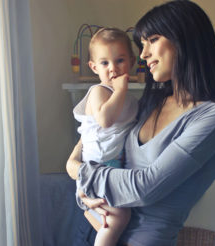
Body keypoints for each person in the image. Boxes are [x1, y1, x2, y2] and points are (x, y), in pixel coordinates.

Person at [66, 1, 215, 246]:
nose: (143, 54)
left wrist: (78, 171)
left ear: (185, 39)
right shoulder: (152, 102)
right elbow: (98, 133)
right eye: (142, 44)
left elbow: (145, 187)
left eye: (153, 40)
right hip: (95, 227)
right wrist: (79, 180)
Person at [69, 27, 138, 246]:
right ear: (94, 67)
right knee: (120, 217)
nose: (113, 69)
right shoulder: (99, 91)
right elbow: (105, 120)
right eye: (105, 63)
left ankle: (95, 222)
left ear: (132, 62)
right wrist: (120, 91)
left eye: (120, 60)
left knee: (118, 218)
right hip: (95, 167)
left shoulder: (129, 100)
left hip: (112, 166)